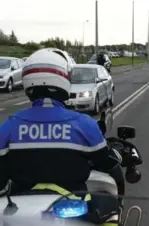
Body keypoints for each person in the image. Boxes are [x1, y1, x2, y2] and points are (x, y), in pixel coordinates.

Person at [0, 48, 122, 226]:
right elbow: (106, 163)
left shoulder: (9, 126)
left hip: (19, 209)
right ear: (64, 79)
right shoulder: (84, 124)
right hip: (73, 203)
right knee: (111, 206)